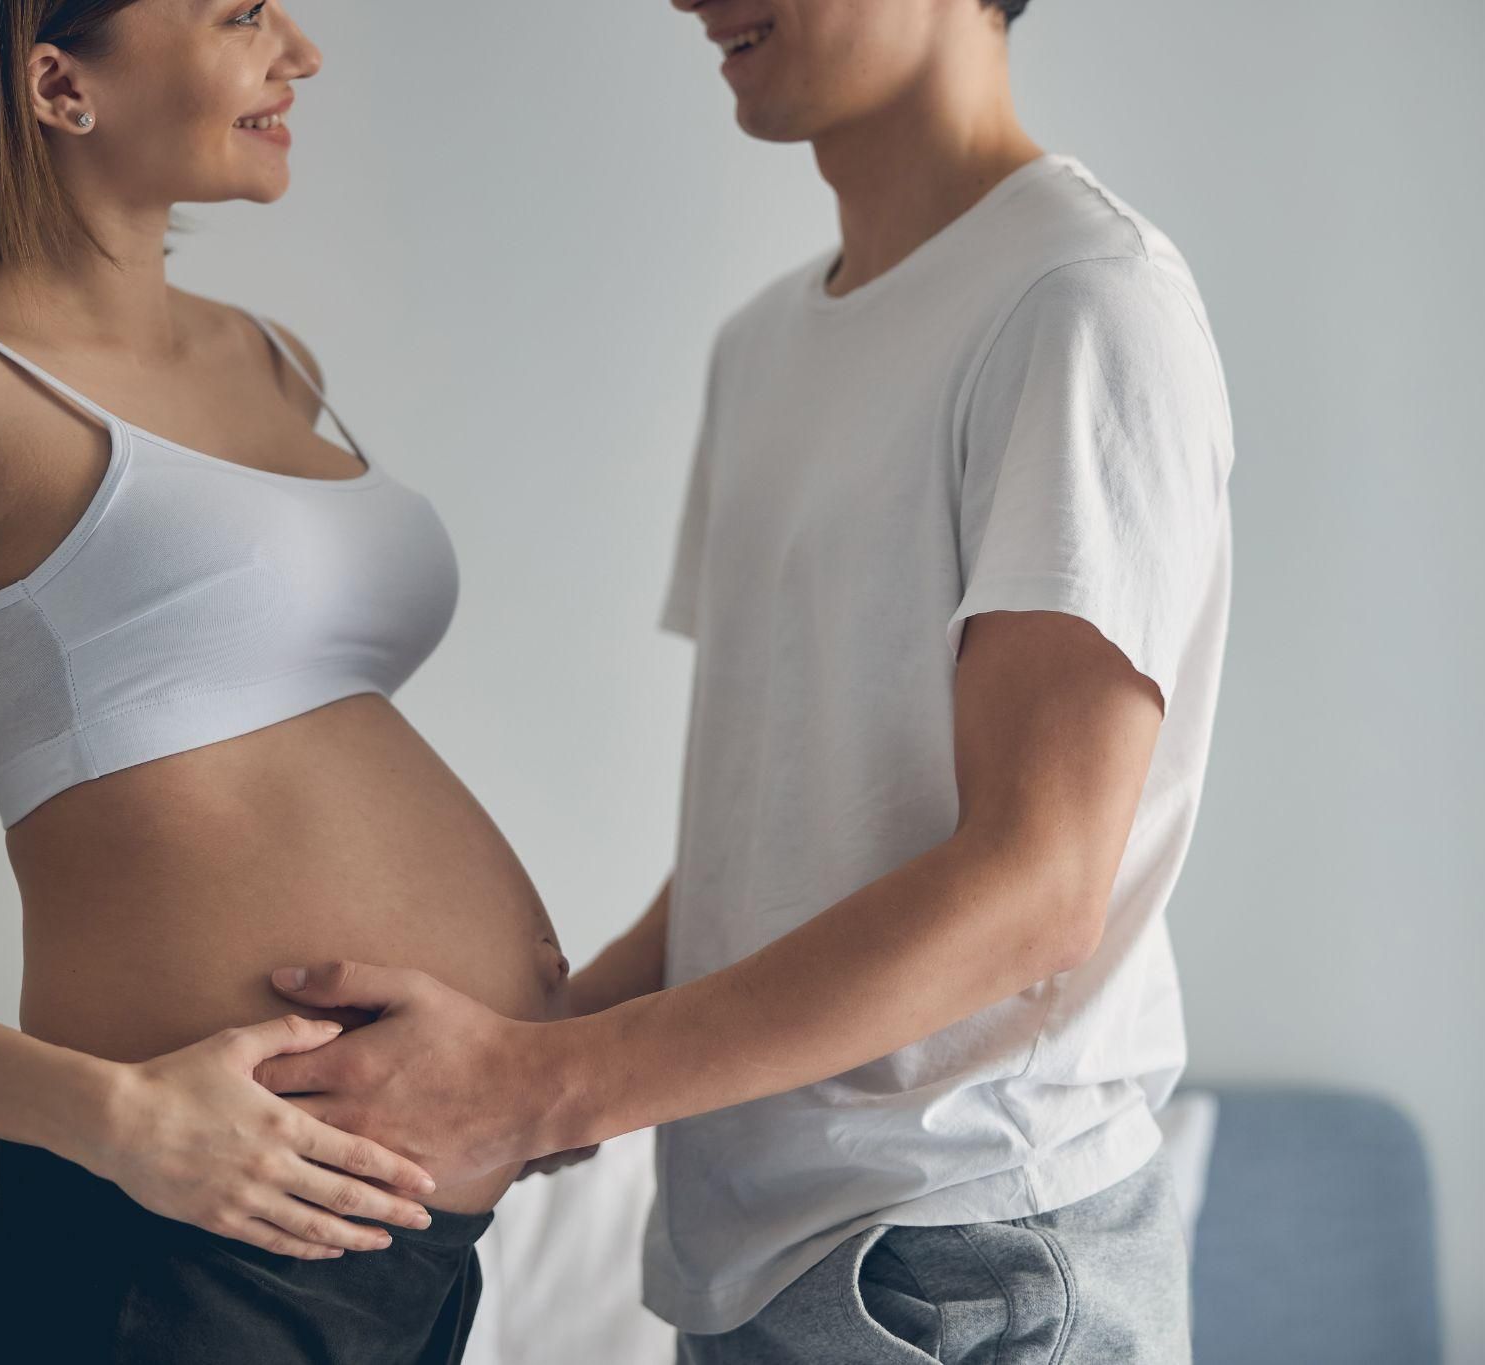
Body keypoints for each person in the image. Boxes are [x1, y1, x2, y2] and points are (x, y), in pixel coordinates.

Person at [250, 0, 1235, 1359]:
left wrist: (546, 1086)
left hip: (961, 1259)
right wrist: (517, 1044)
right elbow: (772, 833)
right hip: (753, 1255)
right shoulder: (763, 347)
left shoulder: (1079, 302)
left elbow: (1036, 890)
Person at [0, 1, 574, 1360]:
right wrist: (118, 1120)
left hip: (395, 1252)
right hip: (167, 1252)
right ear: (59, 83)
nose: (297, 52)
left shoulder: (275, 360)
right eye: (240, 12)